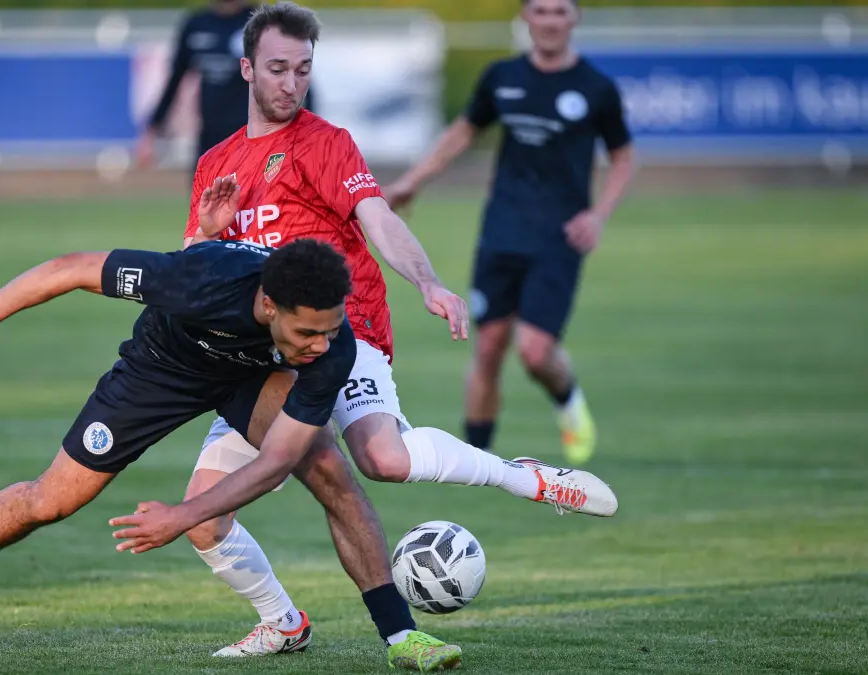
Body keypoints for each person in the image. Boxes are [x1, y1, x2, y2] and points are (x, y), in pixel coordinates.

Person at [177, 1, 618, 657]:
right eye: (277, 69)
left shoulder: (325, 144)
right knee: (203, 519)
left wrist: (428, 281)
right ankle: (282, 620)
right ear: (246, 69)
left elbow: (378, 218)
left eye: (303, 69)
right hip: (267, 357)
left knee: (382, 459)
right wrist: (206, 237)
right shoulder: (217, 163)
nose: (292, 84)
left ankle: (518, 475)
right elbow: (190, 270)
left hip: (345, 331)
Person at [0, 239, 463, 672]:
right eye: (307, 333)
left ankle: (400, 637)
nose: (322, 345)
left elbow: (277, 461)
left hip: (252, 376)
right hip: (162, 369)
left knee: (326, 465)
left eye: (330, 331)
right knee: (50, 501)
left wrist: (182, 517)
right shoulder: (201, 278)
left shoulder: (331, 348)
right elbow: (71, 268)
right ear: (267, 305)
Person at [385, 0, 637, 466]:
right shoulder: (502, 77)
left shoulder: (596, 88)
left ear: (575, 18)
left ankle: (568, 398)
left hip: (559, 238)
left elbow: (623, 157)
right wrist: (410, 183)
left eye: (559, 11)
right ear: (526, 17)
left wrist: (597, 215)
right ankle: (478, 462)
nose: (550, 21)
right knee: (488, 348)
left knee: (536, 353)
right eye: (540, 11)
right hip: (502, 230)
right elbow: (461, 133)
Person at [135, 0, 313, 170]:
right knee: (204, 191)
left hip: (254, 139)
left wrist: (304, 132)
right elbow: (175, 80)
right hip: (210, 140)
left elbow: (297, 81)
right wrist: (152, 130)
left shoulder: (264, 24)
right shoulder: (196, 24)